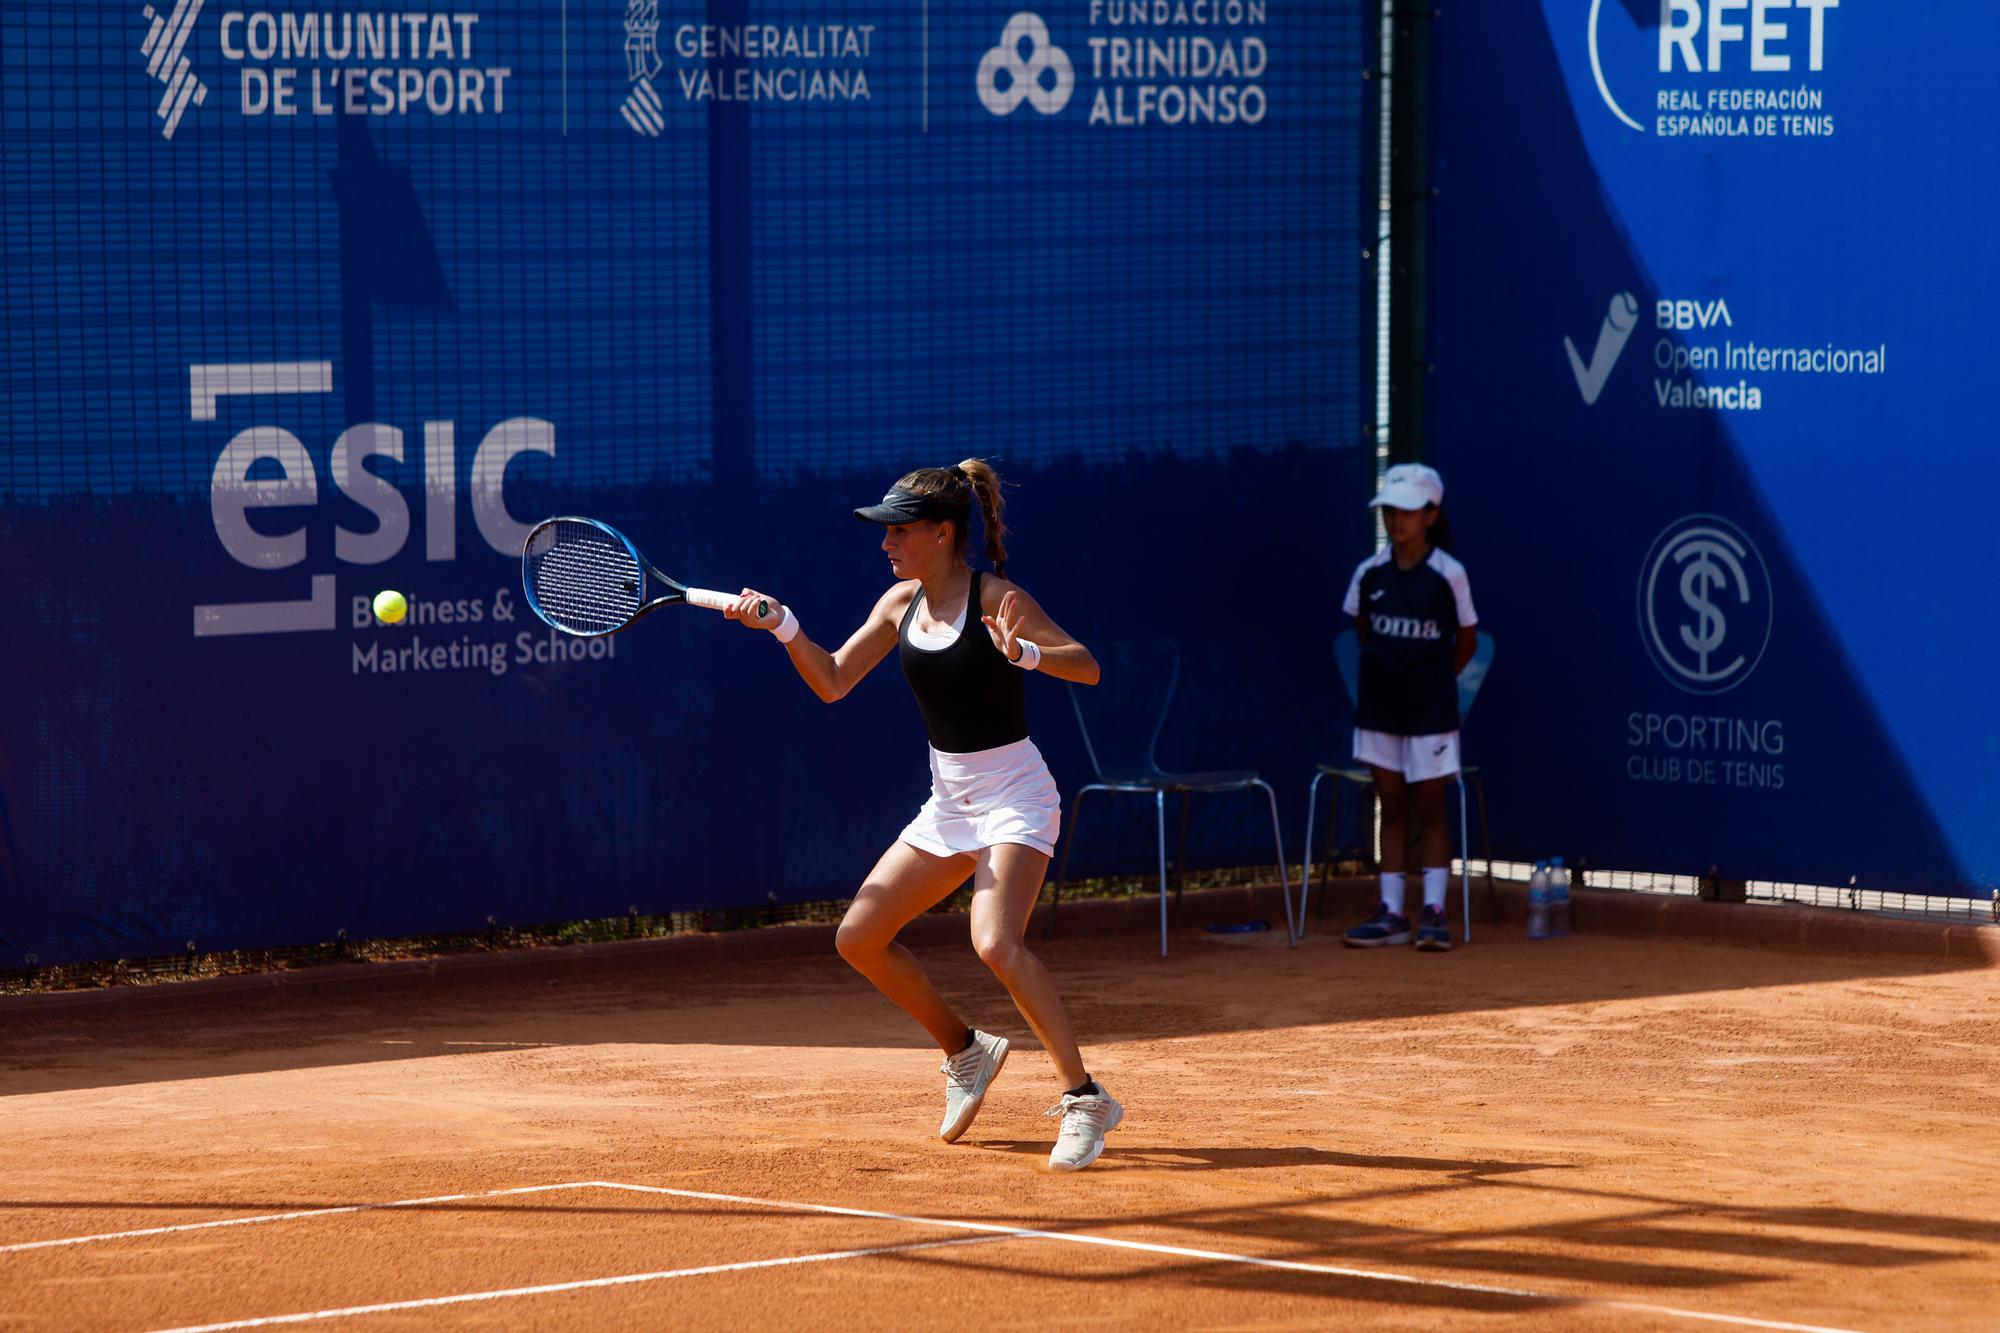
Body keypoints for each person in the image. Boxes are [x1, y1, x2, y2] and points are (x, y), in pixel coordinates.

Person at [725, 460, 1123, 1171]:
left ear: (943, 534)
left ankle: (1085, 1097)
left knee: (996, 942)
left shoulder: (999, 597)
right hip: (949, 803)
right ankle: (965, 1050)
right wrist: (783, 625)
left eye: (899, 531)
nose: (886, 544)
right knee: (859, 936)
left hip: (1015, 798)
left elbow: (1087, 664)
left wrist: (1025, 652)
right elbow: (834, 680)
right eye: (885, 532)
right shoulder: (897, 604)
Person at [1340, 463, 1479, 951]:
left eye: (1408, 511)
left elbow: (1466, 642)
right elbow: (1362, 633)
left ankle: (1435, 912)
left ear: (1432, 515)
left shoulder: (1449, 575)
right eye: (1390, 511)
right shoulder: (1368, 573)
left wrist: (1431, 683)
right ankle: (1392, 913)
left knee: (1430, 809)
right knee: (1392, 808)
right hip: (1379, 710)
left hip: (1430, 713)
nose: (1396, 520)